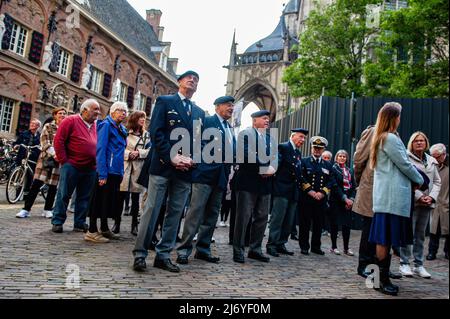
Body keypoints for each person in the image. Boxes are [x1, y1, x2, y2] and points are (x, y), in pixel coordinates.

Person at [132, 70, 205, 273]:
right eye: (189, 77)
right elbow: (156, 132)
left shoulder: (199, 112)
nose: (193, 80)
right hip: (163, 165)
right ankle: (140, 254)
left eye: (196, 79)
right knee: (152, 209)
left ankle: (163, 255)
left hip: (184, 171)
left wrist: (191, 161)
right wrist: (172, 157)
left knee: (175, 213)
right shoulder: (165, 101)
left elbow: (199, 142)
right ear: (179, 82)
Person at [369, 102, 424, 296]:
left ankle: (377, 280)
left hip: (386, 198)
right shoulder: (390, 138)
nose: (400, 119)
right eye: (399, 116)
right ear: (393, 117)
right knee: (385, 240)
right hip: (391, 199)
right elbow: (405, 164)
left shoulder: (381, 137)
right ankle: (382, 280)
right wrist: (421, 180)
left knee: (382, 240)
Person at [176, 95, 235, 264]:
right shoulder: (206, 121)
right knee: (195, 213)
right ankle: (184, 250)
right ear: (217, 106)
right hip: (204, 174)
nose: (231, 108)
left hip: (221, 177)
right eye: (228, 105)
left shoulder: (229, 127)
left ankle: (203, 249)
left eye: (232, 105)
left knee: (212, 216)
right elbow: (194, 143)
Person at [233, 110, 277, 264]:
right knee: (243, 217)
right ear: (254, 121)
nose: (267, 121)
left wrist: (273, 168)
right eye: (264, 118)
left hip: (265, 184)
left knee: (262, 218)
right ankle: (238, 250)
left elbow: (275, 157)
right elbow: (246, 154)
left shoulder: (270, 139)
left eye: (268, 119)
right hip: (247, 182)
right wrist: (264, 167)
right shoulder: (245, 135)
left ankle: (255, 249)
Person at [51, 99, 101, 233]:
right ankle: (57, 221)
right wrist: (64, 161)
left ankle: (79, 223)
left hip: (90, 167)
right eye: (95, 109)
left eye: (98, 109)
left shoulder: (96, 125)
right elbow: (58, 141)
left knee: (84, 197)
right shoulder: (70, 121)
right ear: (84, 110)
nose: (98, 112)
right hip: (72, 165)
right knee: (64, 194)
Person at [399, 132, 441, 278]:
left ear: (426, 143)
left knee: (421, 235)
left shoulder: (431, 160)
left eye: (422, 140)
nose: (419, 143)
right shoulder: (405, 158)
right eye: (416, 141)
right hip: (412, 202)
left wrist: (431, 197)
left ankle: (419, 265)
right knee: (408, 233)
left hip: (427, 203)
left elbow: (437, 181)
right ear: (411, 142)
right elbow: (404, 179)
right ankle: (404, 263)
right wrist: (420, 196)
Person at [86, 102, 128, 243]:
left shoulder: (121, 128)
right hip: (106, 170)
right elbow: (101, 149)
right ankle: (91, 230)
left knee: (107, 201)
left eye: (125, 111)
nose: (123, 113)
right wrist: (102, 173)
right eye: (120, 110)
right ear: (113, 112)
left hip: (116, 171)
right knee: (98, 200)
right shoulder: (106, 125)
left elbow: (120, 152)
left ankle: (104, 228)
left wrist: (121, 171)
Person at [16, 108, 67, 219]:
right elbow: (44, 141)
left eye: (64, 114)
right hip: (46, 159)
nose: (62, 115)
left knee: (53, 187)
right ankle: (26, 209)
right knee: (36, 184)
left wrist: (62, 156)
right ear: (55, 115)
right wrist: (54, 154)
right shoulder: (48, 126)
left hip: (58, 161)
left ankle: (47, 209)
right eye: (60, 113)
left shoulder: (66, 128)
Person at [266, 128, 308, 257]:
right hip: (281, 189)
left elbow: (298, 172)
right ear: (293, 136)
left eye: (304, 138)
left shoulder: (298, 153)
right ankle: (271, 245)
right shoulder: (283, 147)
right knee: (277, 219)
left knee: (289, 221)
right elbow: (276, 165)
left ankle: (281, 243)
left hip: (293, 191)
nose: (303, 140)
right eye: (301, 137)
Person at [112, 111, 150, 236]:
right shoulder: (124, 132)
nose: (143, 120)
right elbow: (117, 148)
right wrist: (128, 154)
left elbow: (149, 150)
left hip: (138, 166)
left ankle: (134, 225)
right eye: (140, 117)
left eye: (144, 118)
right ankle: (116, 223)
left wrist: (139, 153)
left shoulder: (146, 135)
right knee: (120, 196)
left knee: (135, 198)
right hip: (125, 166)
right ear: (134, 119)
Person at [299, 136, 335, 255]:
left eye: (319, 148)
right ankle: (304, 246)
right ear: (311, 148)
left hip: (321, 199)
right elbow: (301, 177)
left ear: (323, 149)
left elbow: (331, 181)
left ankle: (316, 246)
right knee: (305, 223)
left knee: (318, 223)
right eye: (315, 148)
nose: (317, 150)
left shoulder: (328, 165)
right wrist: (310, 191)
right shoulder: (304, 161)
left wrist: (322, 192)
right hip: (307, 198)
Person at [328, 150, 356, 256]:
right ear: (336, 157)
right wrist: (344, 198)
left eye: (344, 156)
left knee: (347, 225)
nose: (342, 158)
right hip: (336, 200)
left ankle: (346, 248)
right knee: (334, 224)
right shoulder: (333, 169)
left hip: (348, 202)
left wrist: (351, 200)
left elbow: (353, 186)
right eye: (340, 156)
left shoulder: (349, 171)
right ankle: (334, 247)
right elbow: (335, 186)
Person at [427, 144, 449, 260]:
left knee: (448, 229)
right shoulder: (431, 164)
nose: (434, 159)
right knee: (434, 230)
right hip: (435, 201)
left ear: (444, 155)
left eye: (437, 157)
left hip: (446, 201)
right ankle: (432, 252)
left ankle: (447, 251)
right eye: (432, 156)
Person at [14, 118, 41, 195]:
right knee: (20, 174)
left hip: (33, 158)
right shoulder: (24, 133)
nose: (31, 125)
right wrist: (16, 145)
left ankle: (26, 193)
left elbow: (40, 146)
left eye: (34, 124)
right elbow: (17, 142)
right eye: (31, 123)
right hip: (22, 156)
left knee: (30, 175)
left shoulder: (39, 136)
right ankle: (17, 194)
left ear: (38, 126)